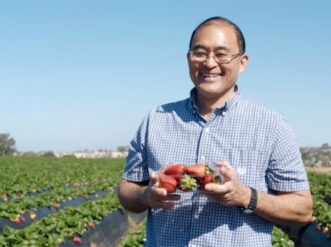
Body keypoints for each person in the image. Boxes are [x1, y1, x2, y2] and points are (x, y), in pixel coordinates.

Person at [118, 16, 312, 247]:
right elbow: (127, 189)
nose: (209, 63)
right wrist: (145, 196)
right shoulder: (156, 120)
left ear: (242, 62)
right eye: (199, 52)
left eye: (221, 54)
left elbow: (302, 209)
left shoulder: (272, 126)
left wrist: (246, 197)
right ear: (188, 58)